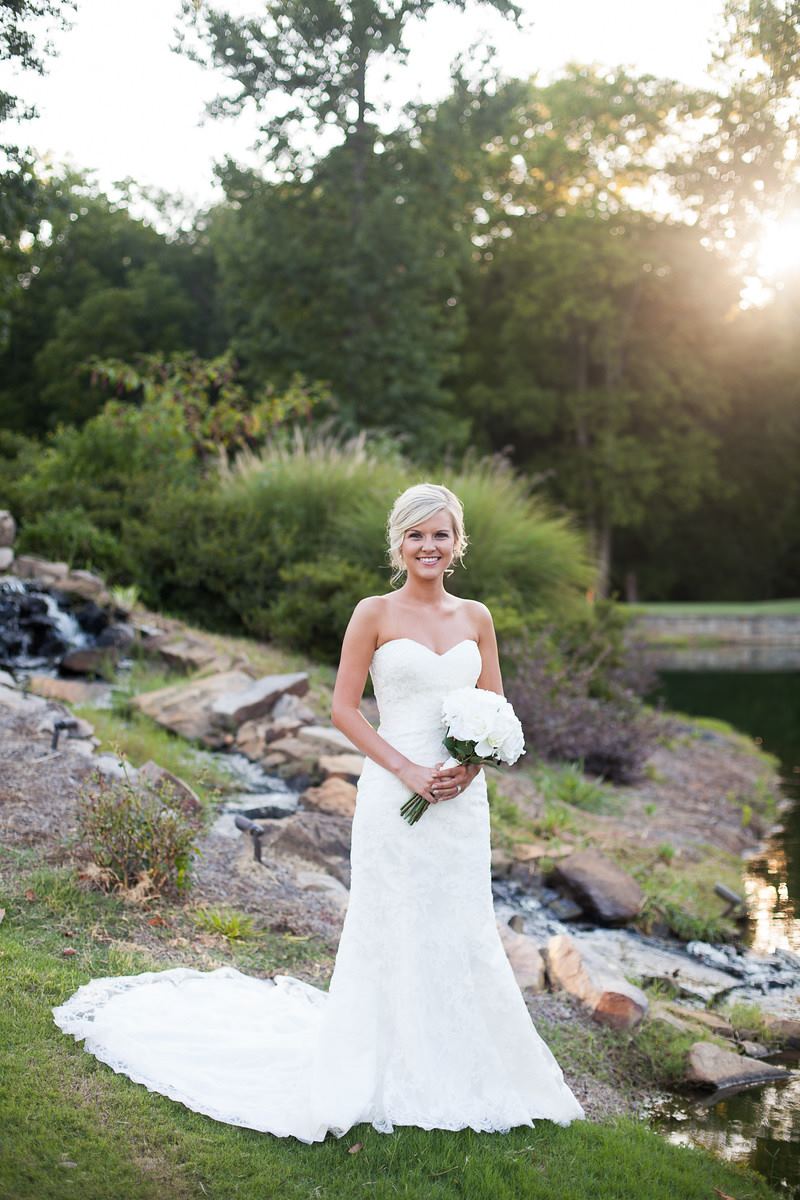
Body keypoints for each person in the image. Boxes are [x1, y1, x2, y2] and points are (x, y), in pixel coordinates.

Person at [52, 481, 586, 1141]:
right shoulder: (374, 613)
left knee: (459, 922)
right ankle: (382, 1063)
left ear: (457, 543)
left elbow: (495, 709)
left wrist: (470, 764)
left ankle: (461, 1063)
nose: (428, 545)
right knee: (392, 920)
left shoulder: (477, 617)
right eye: (416, 534)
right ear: (399, 542)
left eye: (440, 534)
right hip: (395, 790)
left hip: (459, 801)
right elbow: (342, 708)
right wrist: (407, 769)